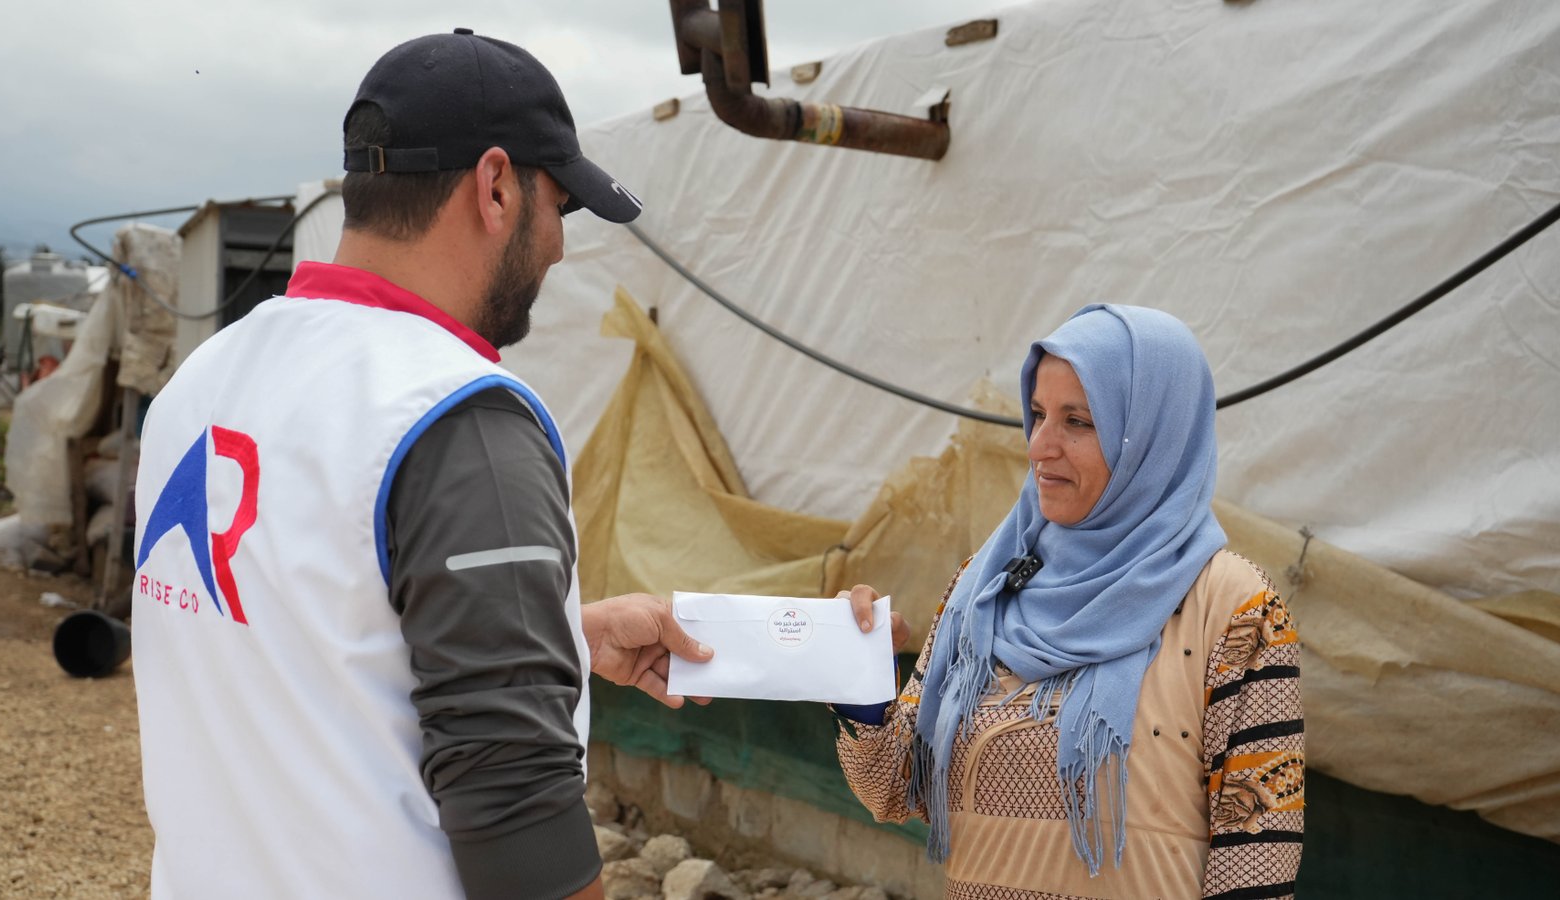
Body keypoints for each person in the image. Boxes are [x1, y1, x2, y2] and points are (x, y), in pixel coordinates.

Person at [130, 30, 709, 900]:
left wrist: (552, 631)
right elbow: (517, 810)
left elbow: (294, 631)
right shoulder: (457, 416)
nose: (558, 245)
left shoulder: (203, 383)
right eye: (559, 205)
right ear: (496, 186)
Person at [836, 304, 1305, 899]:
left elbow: (1258, 859)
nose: (1039, 447)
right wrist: (859, 677)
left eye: (1078, 421)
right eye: (1037, 414)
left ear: (1154, 435)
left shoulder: (1235, 610)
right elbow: (893, 789)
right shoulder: (984, 587)